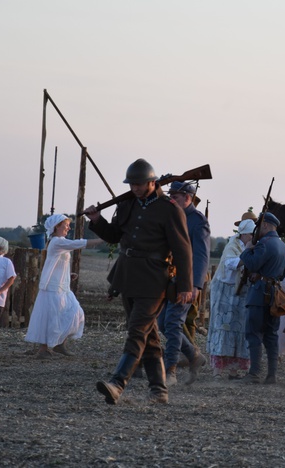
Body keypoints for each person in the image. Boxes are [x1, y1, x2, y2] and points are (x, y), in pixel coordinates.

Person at [86, 158, 193, 405]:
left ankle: (117, 383)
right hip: (128, 275)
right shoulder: (127, 205)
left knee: (137, 331)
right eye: (131, 184)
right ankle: (159, 391)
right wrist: (97, 220)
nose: (134, 188)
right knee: (150, 338)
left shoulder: (169, 209)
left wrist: (186, 286)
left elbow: (183, 248)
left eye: (138, 183)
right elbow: (114, 236)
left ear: (152, 183)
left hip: (155, 279)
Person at [25, 214, 103, 358]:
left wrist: (68, 274)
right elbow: (78, 244)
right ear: (56, 227)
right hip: (53, 286)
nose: (68, 227)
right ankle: (44, 349)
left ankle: (60, 343)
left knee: (75, 312)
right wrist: (102, 239)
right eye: (65, 225)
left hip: (62, 285)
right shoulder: (56, 241)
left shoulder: (59, 242)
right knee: (52, 316)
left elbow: (59, 262)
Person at [157, 181, 210, 385]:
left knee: (173, 323)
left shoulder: (197, 221)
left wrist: (195, 285)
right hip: (170, 279)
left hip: (186, 281)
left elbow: (201, 256)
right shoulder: (173, 216)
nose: (172, 199)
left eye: (176, 196)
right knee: (163, 323)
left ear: (188, 198)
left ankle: (170, 372)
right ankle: (195, 357)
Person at [239, 212, 285, 384]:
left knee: (253, 333)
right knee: (271, 334)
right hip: (274, 294)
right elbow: (282, 273)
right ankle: (272, 375)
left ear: (266, 225)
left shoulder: (264, 244)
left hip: (259, 293)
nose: (256, 230)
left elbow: (252, 264)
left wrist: (246, 249)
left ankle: (254, 373)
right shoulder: (283, 246)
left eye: (259, 225)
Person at [207, 218, 256, 379]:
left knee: (239, 329)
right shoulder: (232, 245)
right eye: (250, 234)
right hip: (224, 293)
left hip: (241, 293)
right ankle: (217, 371)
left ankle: (234, 371)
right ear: (245, 234)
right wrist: (247, 252)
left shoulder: (247, 245)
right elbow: (232, 263)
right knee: (223, 327)